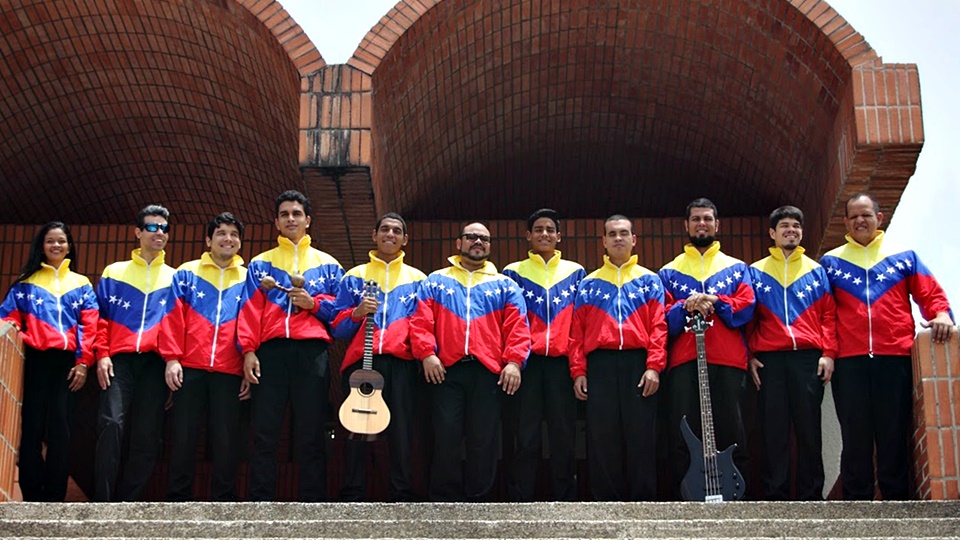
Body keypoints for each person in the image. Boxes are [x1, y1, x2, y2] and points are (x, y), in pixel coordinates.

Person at [819, 193, 953, 500]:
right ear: (846, 224)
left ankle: (898, 503)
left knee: (893, 434)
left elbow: (930, 294)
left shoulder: (904, 255)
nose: (860, 221)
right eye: (853, 217)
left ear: (879, 219)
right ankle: (856, 508)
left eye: (865, 215)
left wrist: (942, 314)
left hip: (894, 357)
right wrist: (828, 352)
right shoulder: (831, 261)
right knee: (855, 438)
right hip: (850, 362)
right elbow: (824, 313)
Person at [410, 222, 530, 501]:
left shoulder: (504, 284)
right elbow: (419, 323)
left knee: (484, 439)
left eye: (484, 238)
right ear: (458, 243)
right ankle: (444, 500)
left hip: (488, 372)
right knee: (446, 436)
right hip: (445, 372)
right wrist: (427, 354)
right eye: (472, 237)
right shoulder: (435, 281)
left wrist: (513, 362)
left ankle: (480, 500)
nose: (478, 242)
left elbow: (518, 328)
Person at [238, 190, 343, 502]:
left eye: (297, 214)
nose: (291, 219)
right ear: (276, 222)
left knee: (311, 430)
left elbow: (339, 316)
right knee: (265, 430)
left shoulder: (328, 264)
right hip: (270, 352)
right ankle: (260, 500)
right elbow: (248, 311)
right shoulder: (261, 264)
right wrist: (248, 351)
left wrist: (313, 305)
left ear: (308, 220)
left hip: (312, 353)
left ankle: (313, 502)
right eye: (284, 214)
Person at [659, 197, 755, 497]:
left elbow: (747, 308)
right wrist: (684, 306)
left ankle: (736, 498)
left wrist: (716, 301)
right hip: (685, 361)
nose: (702, 224)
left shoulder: (737, 268)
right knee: (683, 432)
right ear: (686, 225)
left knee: (732, 431)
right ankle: (686, 498)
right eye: (696, 219)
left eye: (708, 219)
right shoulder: (669, 271)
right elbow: (661, 319)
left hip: (728, 361)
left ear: (717, 224)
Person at [569, 214, 667, 501]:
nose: (618, 238)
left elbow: (659, 327)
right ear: (603, 241)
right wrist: (579, 372)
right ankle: (606, 504)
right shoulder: (589, 283)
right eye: (612, 234)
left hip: (639, 364)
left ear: (634, 240)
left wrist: (654, 367)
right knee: (602, 437)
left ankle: (643, 501)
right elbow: (577, 334)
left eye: (624, 233)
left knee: (641, 435)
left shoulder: (650, 280)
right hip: (600, 365)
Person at [330, 212, 426, 502]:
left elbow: (424, 326)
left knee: (402, 430)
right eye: (384, 229)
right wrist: (357, 313)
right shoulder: (355, 276)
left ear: (405, 239)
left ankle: (401, 492)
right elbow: (337, 326)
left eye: (397, 231)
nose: (390, 234)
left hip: (402, 362)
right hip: (362, 363)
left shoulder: (419, 279)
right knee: (356, 428)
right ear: (374, 235)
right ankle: (352, 492)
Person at [0, 222, 98, 501]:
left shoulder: (81, 283)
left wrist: (83, 362)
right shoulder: (25, 283)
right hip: (35, 361)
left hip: (68, 363)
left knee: (61, 428)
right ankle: (32, 493)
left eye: (62, 241)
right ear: (41, 246)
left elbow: (89, 326)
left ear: (69, 246)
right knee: (31, 426)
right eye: (50, 241)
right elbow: (8, 318)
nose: (56, 246)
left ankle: (55, 494)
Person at [747, 205, 837, 500]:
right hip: (769, 361)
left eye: (796, 226)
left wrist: (829, 354)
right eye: (784, 226)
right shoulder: (755, 271)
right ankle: (776, 495)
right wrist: (748, 356)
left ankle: (812, 495)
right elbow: (748, 317)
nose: (791, 231)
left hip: (807, 360)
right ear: (772, 233)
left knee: (809, 430)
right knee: (774, 432)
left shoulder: (817, 270)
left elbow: (828, 316)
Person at [160, 212, 249, 501]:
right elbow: (171, 318)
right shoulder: (186, 273)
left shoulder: (249, 278)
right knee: (184, 436)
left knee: (226, 439)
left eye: (234, 234)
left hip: (230, 369)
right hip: (190, 367)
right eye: (221, 233)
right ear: (208, 239)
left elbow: (253, 323)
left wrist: (248, 357)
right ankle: (177, 497)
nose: (228, 238)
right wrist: (172, 358)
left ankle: (224, 500)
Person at [93, 205, 177, 501]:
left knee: (147, 433)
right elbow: (99, 318)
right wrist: (102, 354)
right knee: (111, 424)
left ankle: (128, 501)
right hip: (119, 360)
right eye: (152, 227)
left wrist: (171, 361)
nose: (159, 233)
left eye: (164, 228)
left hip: (155, 363)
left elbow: (176, 327)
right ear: (138, 232)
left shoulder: (175, 277)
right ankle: (102, 501)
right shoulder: (114, 272)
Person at [501, 208, 585, 501]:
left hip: (562, 365)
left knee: (564, 435)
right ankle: (521, 498)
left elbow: (579, 325)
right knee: (525, 434)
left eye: (550, 229)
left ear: (559, 236)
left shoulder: (576, 272)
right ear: (528, 236)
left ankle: (565, 498)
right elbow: (508, 322)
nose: (545, 234)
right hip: (527, 364)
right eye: (538, 229)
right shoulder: (512, 272)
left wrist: (578, 370)